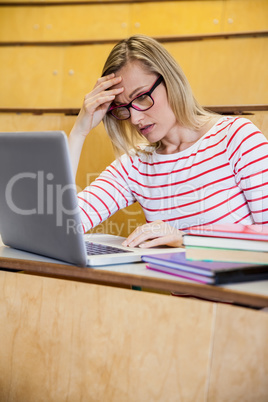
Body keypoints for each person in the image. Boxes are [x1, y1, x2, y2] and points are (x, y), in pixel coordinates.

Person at [68, 34, 268, 249]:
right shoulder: (136, 164)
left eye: (142, 97)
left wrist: (186, 240)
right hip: (170, 283)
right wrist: (79, 132)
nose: (135, 119)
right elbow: (64, 224)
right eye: (123, 108)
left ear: (170, 81)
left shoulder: (236, 137)